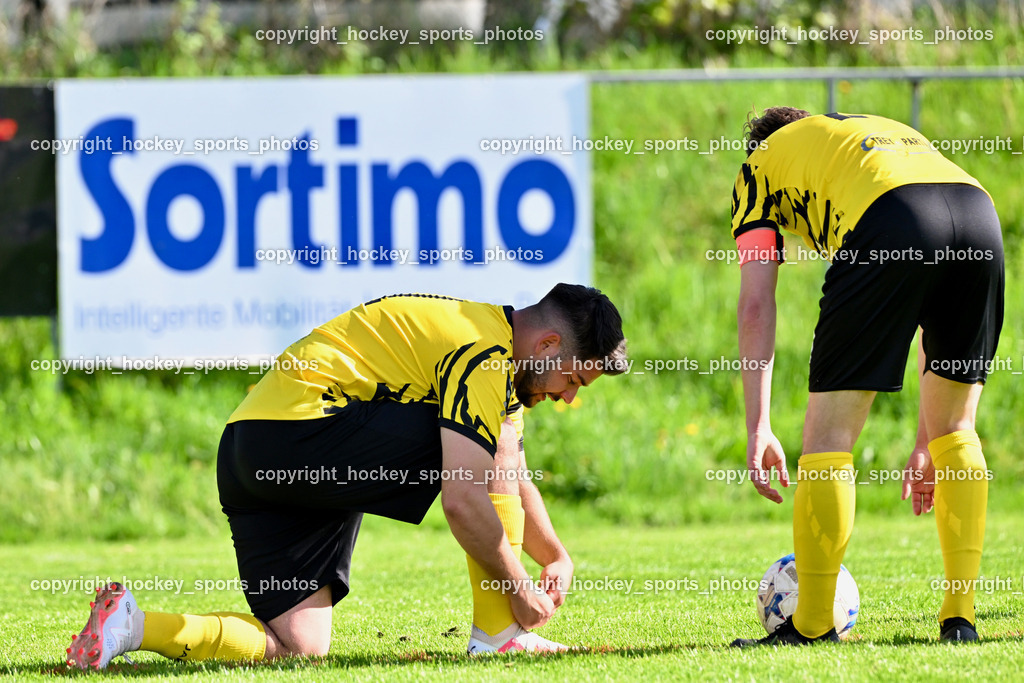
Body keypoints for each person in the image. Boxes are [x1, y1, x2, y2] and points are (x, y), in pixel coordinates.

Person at [67, 284, 628, 670]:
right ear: (549, 345)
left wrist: (555, 555)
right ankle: (500, 637)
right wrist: (519, 590)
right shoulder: (487, 355)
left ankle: (133, 627)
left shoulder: (490, 351)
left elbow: (512, 473)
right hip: (301, 437)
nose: (567, 396)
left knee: (298, 648)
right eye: (574, 379)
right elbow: (465, 497)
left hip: (250, 450)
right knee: (486, 439)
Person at [727, 108, 1003, 646]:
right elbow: (929, 306)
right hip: (978, 216)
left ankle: (808, 626)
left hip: (891, 219)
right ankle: (960, 619)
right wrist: (927, 440)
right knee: (957, 432)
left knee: (828, 437)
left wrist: (758, 426)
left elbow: (756, 303)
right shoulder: (870, 138)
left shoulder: (760, 163)